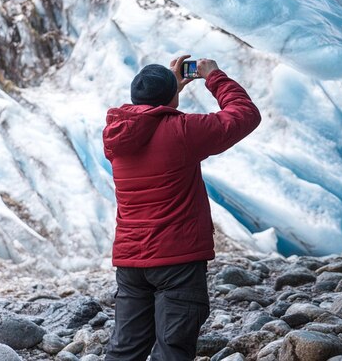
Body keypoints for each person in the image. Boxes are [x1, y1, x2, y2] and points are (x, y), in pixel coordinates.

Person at [102, 55, 261, 361]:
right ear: (169, 98)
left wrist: (168, 92)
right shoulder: (183, 131)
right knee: (173, 349)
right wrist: (215, 77)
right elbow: (244, 115)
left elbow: (149, 122)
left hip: (131, 262)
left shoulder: (116, 136)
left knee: (125, 350)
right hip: (177, 261)